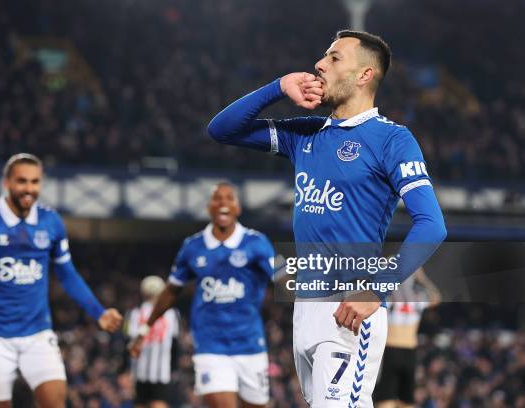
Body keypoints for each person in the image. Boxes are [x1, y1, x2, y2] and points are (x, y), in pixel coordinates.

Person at [207, 30, 447, 407]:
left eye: (335, 58)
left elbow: (432, 224)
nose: (320, 64)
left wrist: (377, 288)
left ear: (365, 75)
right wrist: (278, 87)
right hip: (306, 308)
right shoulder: (305, 134)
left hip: (349, 308)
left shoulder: (392, 140)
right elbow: (221, 130)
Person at [0, 153, 123, 408]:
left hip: (38, 334)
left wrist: (99, 312)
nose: (29, 189)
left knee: (55, 402)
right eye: (22, 181)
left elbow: (67, 274)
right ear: (7, 183)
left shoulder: (51, 222)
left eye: (35, 182)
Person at [129, 182, 275, 408]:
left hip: (250, 344)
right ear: (209, 207)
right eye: (217, 198)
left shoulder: (257, 242)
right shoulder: (193, 246)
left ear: (238, 208)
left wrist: (311, 311)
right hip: (210, 345)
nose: (223, 203)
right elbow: (171, 291)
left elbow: (286, 279)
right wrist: (145, 329)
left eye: (229, 198)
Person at [374, 267, 441, 408]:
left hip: (409, 351)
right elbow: (372, 288)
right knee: (386, 398)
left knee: (406, 400)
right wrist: (385, 270)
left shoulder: (418, 297)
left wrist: (421, 276)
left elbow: (436, 297)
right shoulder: (389, 294)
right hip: (390, 349)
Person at [127, 275, 180, 408]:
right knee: (159, 403)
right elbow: (175, 345)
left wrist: (125, 369)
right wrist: (174, 368)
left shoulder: (135, 313)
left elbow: (128, 344)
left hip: (139, 371)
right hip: (162, 371)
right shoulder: (171, 314)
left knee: (140, 403)